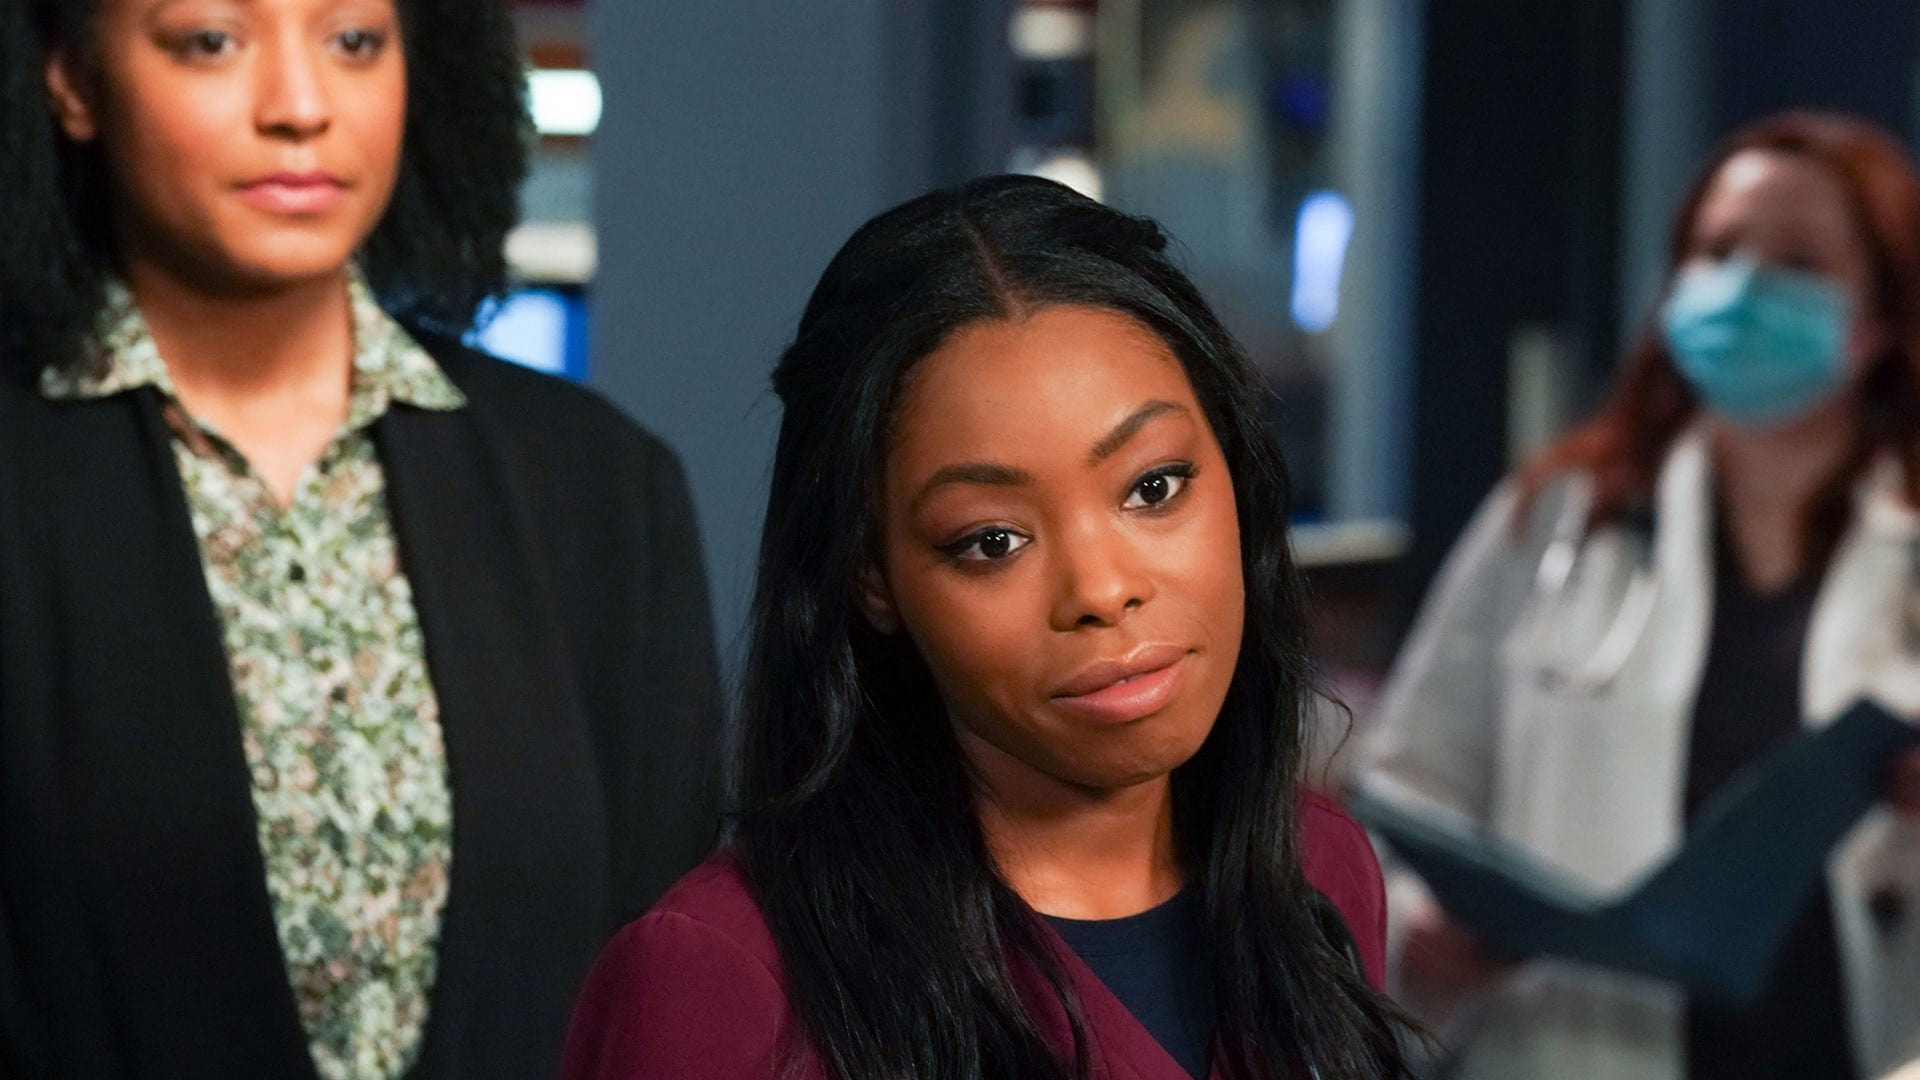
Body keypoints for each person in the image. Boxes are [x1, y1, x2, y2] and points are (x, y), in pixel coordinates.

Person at [0, 1, 722, 1077]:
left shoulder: (600, 484)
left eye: (353, 41)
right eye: (212, 41)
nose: (300, 107)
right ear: (69, 79)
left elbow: (657, 984)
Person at [562, 175, 1414, 1080]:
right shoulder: (727, 979)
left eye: (1153, 487)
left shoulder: (1318, 869)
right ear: (873, 577)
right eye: (993, 541)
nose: (1101, 590)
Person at [1355, 110, 1920, 1080]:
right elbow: (1412, 785)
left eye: (1798, 261)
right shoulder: (1557, 518)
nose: (1743, 288)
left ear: (1880, 319)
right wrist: (1414, 929)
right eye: (1718, 251)